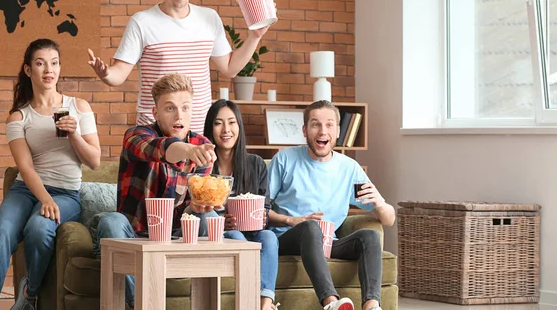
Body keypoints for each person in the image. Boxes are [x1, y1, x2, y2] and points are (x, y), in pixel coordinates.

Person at [0, 39, 101, 310]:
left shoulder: (79, 107)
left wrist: (74, 133)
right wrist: (45, 200)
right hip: (26, 190)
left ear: (60, 68)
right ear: (28, 70)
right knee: (2, 233)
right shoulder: (18, 117)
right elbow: (25, 167)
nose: (48, 69)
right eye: (40, 63)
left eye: (54, 63)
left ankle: (30, 292)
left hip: (65, 192)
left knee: (38, 228)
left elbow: (94, 162)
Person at [87, 0, 271, 134]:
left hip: (198, 132)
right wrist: (105, 73)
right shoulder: (142, 22)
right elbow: (118, 74)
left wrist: (255, 37)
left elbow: (230, 68)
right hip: (155, 133)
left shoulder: (209, 18)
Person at [92, 73, 217, 309]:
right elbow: (160, 149)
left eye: (185, 107)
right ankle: (138, 304)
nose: (179, 115)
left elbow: (192, 206)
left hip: (178, 237)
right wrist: (188, 150)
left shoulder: (202, 146)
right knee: (111, 222)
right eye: (170, 108)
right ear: (155, 112)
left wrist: (197, 206)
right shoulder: (136, 136)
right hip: (135, 237)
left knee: (209, 218)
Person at [267, 100, 396, 310]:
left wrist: (380, 203)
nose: (322, 131)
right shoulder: (285, 159)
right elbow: (259, 209)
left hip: (327, 242)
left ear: (337, 131)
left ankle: (372, 306)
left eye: (329, 125)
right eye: (315, 124)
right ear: (305, 130)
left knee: (370, 236)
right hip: (287, 238)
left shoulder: (349, 168)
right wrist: (292, 220)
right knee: (310, 227)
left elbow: (389, 219)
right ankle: (331, 303)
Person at [203, 99, 280, 310]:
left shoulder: (255, 164)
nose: (226, 130)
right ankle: (248, 301)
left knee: (269, 236)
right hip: (218, 234)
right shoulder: (203, 165)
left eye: (232, 122)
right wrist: (221, 221)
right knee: (236, 237)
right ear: (210, 128)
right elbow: (197, 207)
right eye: (218, 123)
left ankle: (265, 303)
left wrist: (258, 216)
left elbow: (265, 207)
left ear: (239, 126)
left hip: (253, 231)